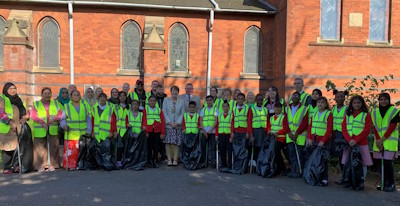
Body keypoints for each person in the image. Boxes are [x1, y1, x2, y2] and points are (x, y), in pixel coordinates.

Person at [340, 95, 373, 191]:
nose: (357, 104)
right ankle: (350, 180)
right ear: (351, 104)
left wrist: (356, 140)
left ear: (362, 104)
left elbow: (366, 130)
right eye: (354, 103)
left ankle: (361, 181)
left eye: (359, 102)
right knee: (348, 162)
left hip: (361, 143)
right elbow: (344, 128)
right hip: (349, 143)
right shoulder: (347, 114)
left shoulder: (366, 114)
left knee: (362, 163)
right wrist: (349, 139)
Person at [372, 93, 400, 192]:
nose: (383, 101)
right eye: (381, 99)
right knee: (380, 164)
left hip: (389, 141)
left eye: (386, 99)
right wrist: (379, 141)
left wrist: (382, 140)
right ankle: (383, 182)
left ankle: (391, 183)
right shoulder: (374, 112)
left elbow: (392, 127)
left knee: (388, 163)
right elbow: (375, 127)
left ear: (389, 100)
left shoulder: (394, 111)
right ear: (378, 101)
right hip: (379, 142)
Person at [31, 87, 62, 172]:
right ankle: (40, 166)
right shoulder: (36, 104)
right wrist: (42, 122)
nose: (47, 95)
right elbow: (33, 115)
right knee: (40, 149)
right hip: (40, 129)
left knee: (53, 147)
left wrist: (55, 118)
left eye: (49, 93)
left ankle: (53, 165)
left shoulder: (56, 103)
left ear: (51, 94)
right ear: (42, 94)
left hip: (52, 128)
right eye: (45, 93)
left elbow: (60, 115)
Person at [60, 90, 91, 170]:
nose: (76, 96)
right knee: (71, 152)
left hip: (83, 134)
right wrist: (64, 126)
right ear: (71, 97)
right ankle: (71, 166)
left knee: (82, 151)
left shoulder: (84, 106)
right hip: (71, 134)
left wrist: (89, 130)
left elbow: (88, 119)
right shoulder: (67, 106)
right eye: (74, 95)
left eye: (78, 95)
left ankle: (80, 165)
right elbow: (63, 119)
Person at [306, 96, 333, 186]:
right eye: (318, 102)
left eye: (322, 102)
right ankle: (314, 176)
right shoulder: (314, 114)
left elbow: (329, 129)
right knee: (315, 159)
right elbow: (310, 127)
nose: (320, 104)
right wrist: (309, 138)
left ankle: (324, 178)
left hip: (322, 141)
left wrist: (323, 141)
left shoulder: (328, 114)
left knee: (323, 160)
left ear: (326, 104)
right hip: (314, 139)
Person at [1, 82, 27, 174]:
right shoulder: (2, 98)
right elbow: (1, 113)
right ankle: (7, 167)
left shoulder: (18, 100)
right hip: (7, 127)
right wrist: (10, 122)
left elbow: (23, 111)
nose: (13, 90)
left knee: (18, 147)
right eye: (10, 89)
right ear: (6, 90)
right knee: (8, 148)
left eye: (14, 88)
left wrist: (25, 117)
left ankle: (15, 165)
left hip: (18, 127)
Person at [283, 91, 309, 178]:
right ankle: (293, 171)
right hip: (290, 136)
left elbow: (304, 123)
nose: (294, 98)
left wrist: (297, 133)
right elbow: (285, 122)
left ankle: (299, 171)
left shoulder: (304, 109)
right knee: (292, 155)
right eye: (293, 96)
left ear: (300, 98)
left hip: (300, 137)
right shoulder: (287, 108)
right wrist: (289, 132)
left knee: (300, 155)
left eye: (296, 96)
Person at [91, 92, 117, 170]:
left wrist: (112, 131)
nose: (102, 99)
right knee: (97, 150)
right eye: (100, 97)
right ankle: (100, 165)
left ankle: (107, 165)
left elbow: (113, 121)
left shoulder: (110, 109)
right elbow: (92, 121)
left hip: (106, 133)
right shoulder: (94, 109)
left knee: (106, 150)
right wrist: (92, 131)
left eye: (104, 97)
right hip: (97, 133)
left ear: (106, 99)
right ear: (98, 99)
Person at [162, 86, 184, 166]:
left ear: (178, 92)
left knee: (176, 143)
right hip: (169, 125)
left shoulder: (181, 101)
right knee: (168, 142)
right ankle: (169, 160)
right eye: (173, 91)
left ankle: (175, 159)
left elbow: (182, 113)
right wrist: (169, 122)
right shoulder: (166, 100)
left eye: (176, 91)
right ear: (171, 92)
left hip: (177, 126)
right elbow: (164, 112)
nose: (175, 93)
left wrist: (178, 123)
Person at [231, 93, 252, 174]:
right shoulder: (234, 109)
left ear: (244, 100)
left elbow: (249, 121)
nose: (240, 100)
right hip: (236, 132)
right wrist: (232, 132)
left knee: (244, 152)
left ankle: (243, 168)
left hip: (244, 132)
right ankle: (237, 167)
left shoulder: (248, 108)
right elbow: (232, 121)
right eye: (238, 99)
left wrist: (248, 132)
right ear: (236, 99)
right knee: (236, 151)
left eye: (241, 99)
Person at [143, 96, 165, 168]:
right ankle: (149, 161)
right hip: (149, 131)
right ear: (148, 102)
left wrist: (162, 132)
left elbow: (162, 122)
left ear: (156, 102)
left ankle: (154, 160)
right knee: (149, 146)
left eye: (154, 101)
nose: (152, 102)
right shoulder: (145, 110)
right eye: (151, 101)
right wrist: (146, 131)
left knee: (156, 146)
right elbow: (144, 121)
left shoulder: (159, 110)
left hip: (157, 131)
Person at [266, 102, 287, 176]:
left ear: (281, 109)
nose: (277, 109)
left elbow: (285, 128)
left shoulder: (283, 117)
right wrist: (269, 131)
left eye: (279, 107)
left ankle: (283, 168)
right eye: (275, 107)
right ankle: (279, 168)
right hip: (272, 138)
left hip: (280, 138)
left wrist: (278, 132)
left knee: (277, 153)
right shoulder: (271, 117)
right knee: (274, 154)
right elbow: (268, 126)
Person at [181, 101, 202, 170]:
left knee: (194, 149)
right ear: (188, 108)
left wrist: (199, 127)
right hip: (187, 134)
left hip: (195, 135)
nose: (192, 108)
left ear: (195, 108)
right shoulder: (185, 115)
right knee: (187, 149)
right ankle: (188, 161)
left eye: (193, 107)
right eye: (190, 107)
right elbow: (183, 123)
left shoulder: (197, 115)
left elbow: (199, 124)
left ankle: (193, 161)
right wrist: (183, 129)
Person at [249, 94, 268, 168]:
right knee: (255, 148)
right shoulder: (252, 109)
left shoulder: (265, 110)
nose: (260, 101)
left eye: (261, 100)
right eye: (258, 100)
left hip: (263, 131)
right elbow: (249, 123)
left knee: (261, 148)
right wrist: (251, 135)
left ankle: (260, 164)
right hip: (255, 131)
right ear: (255, 100)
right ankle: (254, 164)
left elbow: (267, 121)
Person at [200, 95, 218, 168]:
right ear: (205, 101)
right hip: (204, 131)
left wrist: (211, 130)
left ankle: (213, 163)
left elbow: (216, 120)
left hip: (212, 131)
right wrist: (204, 131)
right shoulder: (203, 110)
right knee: (203, 148)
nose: (209, 101)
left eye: (210, 100)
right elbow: (201, 121)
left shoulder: (216, 109)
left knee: (212, 148)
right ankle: (204, 163)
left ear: (213, 101)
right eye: (208, 100)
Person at [331, 90, 349, 165]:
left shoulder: (347, 109)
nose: (340, 99)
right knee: (337, 152)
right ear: (335, 98)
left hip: (343, 133)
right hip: (335, 133)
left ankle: (344, 168)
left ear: (344, 98)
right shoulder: (333, 109)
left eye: (342, 97)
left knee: (343, 152)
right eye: (338, 97)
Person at [215, 100, 233, 169]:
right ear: (222, 107)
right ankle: (223, 164)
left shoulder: (231, 115)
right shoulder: (219, 115)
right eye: (224, 106)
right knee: (222, 150)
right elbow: (217, 125)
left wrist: (231, 136)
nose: (225, 108)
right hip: (221, 134)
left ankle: (229, 165)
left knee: (229, 150)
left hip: (228, 135)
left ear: (229, 107)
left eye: (226, 106)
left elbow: (232, 126)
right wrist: (216, 134)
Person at [115, 91, 130, 167]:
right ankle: (118, 161)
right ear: (118, 97)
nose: (122, 97)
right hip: (118, 130)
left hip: (127, 130)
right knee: (119, 146)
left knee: (127, 146)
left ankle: (125, 160)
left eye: (124, 96)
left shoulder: (129, 107)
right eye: (120, 96)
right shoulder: (115, 107)